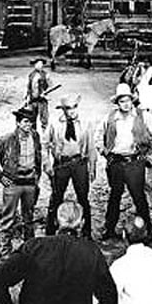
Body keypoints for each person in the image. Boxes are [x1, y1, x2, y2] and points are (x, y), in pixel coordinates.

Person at [0, 200, 119, 304]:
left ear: (56, 221)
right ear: (81, 223)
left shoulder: (35, 247)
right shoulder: (91, 252)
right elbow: (108, 295)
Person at [96, 83, 152, 240]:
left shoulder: (142, 116)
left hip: (135, 162)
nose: (126, 104)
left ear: (132, 101)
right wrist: (104, 152)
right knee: (115, 196)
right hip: (116, 163)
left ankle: (146, 230)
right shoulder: (110, 117)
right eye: (122, 101)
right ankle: (110, 229)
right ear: (117, 103)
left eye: (128, 101)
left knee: (138, 196)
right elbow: (98, 135)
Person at [0, 106, 42, 257]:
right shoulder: (7, 139)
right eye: (25, 121)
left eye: (31, 122)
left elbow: (39, 156)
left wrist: (37, 177)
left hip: (30, 182)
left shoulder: (35, 136)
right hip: (13, 184)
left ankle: (29, 250)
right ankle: (6, 253)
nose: (28, 125)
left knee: (29, 218)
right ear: (18, 123)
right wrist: (0, 176)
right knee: (8, 219)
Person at [43, 95, 96, 238]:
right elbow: (45, 143)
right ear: (63, 109)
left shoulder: (85, 122)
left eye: (74, 107)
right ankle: (51, 231)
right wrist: (47, 163)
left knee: (83, 198)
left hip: (79, 163)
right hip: (62, 164)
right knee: (56, 197)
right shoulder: (55, 123)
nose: (71, 111)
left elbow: (91, 146)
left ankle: (86, 232)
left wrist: (92, 167)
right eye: (68, 108)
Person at [25, 57, 52, 132]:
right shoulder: (31, 75)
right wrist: (26, 96)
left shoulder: (46, 75)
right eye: (38, 64)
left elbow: (51, 86)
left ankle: (44, 133)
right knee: (31, 117)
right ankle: (33, 133)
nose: (40, 66)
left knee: (44, 118)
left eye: (41, 64)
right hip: (32, 100)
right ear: (34, 65)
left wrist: (45, 93)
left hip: (42, 100)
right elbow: (28, 87)